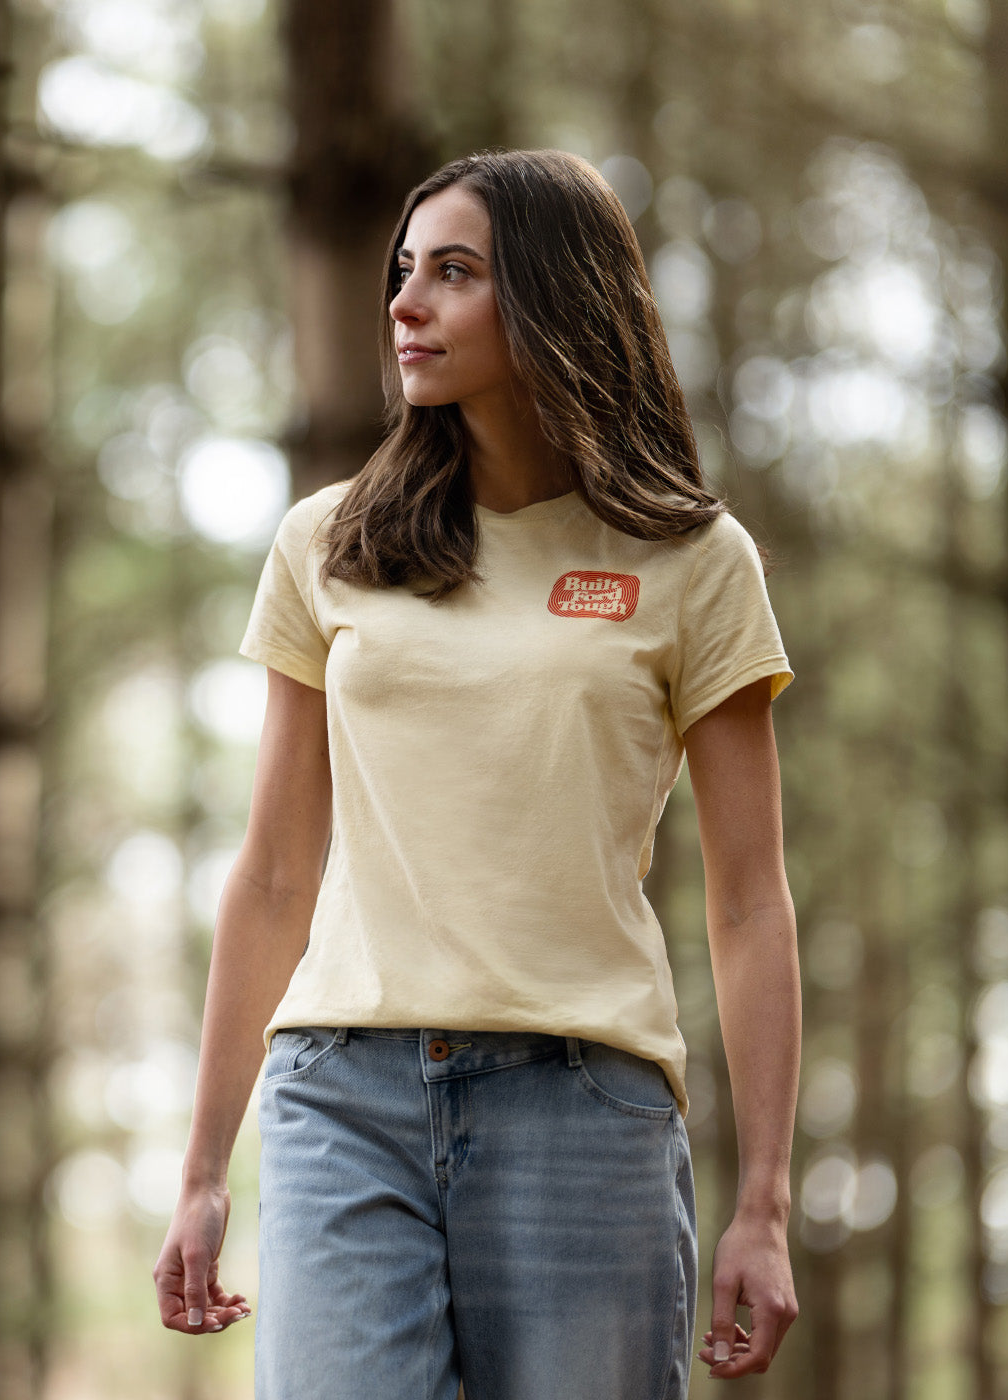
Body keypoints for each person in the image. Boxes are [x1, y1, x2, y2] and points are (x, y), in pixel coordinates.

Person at [152, 148, 801, 1399]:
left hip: (580, 1108)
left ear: (556, 299)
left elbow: (748, 899)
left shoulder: (691, 560)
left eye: (452, 274)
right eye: (403, 271)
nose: (403, 303)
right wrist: (200, 1168)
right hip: (341, 1097)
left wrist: (762, 1202)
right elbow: (275, 870)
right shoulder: (327, 543)